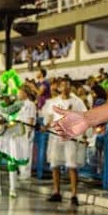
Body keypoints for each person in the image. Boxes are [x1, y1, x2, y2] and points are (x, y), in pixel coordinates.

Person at [42, 78, 87, 206]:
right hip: (56, 136)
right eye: (63, 86)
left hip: (70, 137)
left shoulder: (77, 102)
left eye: (68, 86)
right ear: (59, 87)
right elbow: (49, 117)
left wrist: (83, 135)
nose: (65, 88)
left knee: (71, 165)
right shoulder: (54, 102)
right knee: (55, 164)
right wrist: (45, 126)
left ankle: (74, 195)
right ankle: (56, 192)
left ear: (70, 87)